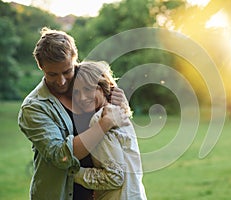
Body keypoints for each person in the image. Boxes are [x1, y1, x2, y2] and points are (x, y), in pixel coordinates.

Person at [18, 27, 129, 200]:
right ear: (41, 67)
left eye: (67, 71)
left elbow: (121, 130)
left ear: (74, 60)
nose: (61, 81)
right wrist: (104, 124)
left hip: (100, 193)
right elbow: (61, 155)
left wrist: (119, 102)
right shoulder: (34, 107)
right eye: (52, 74)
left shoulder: (91, 84)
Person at [71, 61, 147, 200]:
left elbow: (114, 177)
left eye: (88, 89)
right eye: (76, 92)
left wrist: (74, 173)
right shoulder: (119, 111)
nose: (82, 97)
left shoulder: (100, 119)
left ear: (103, 87)